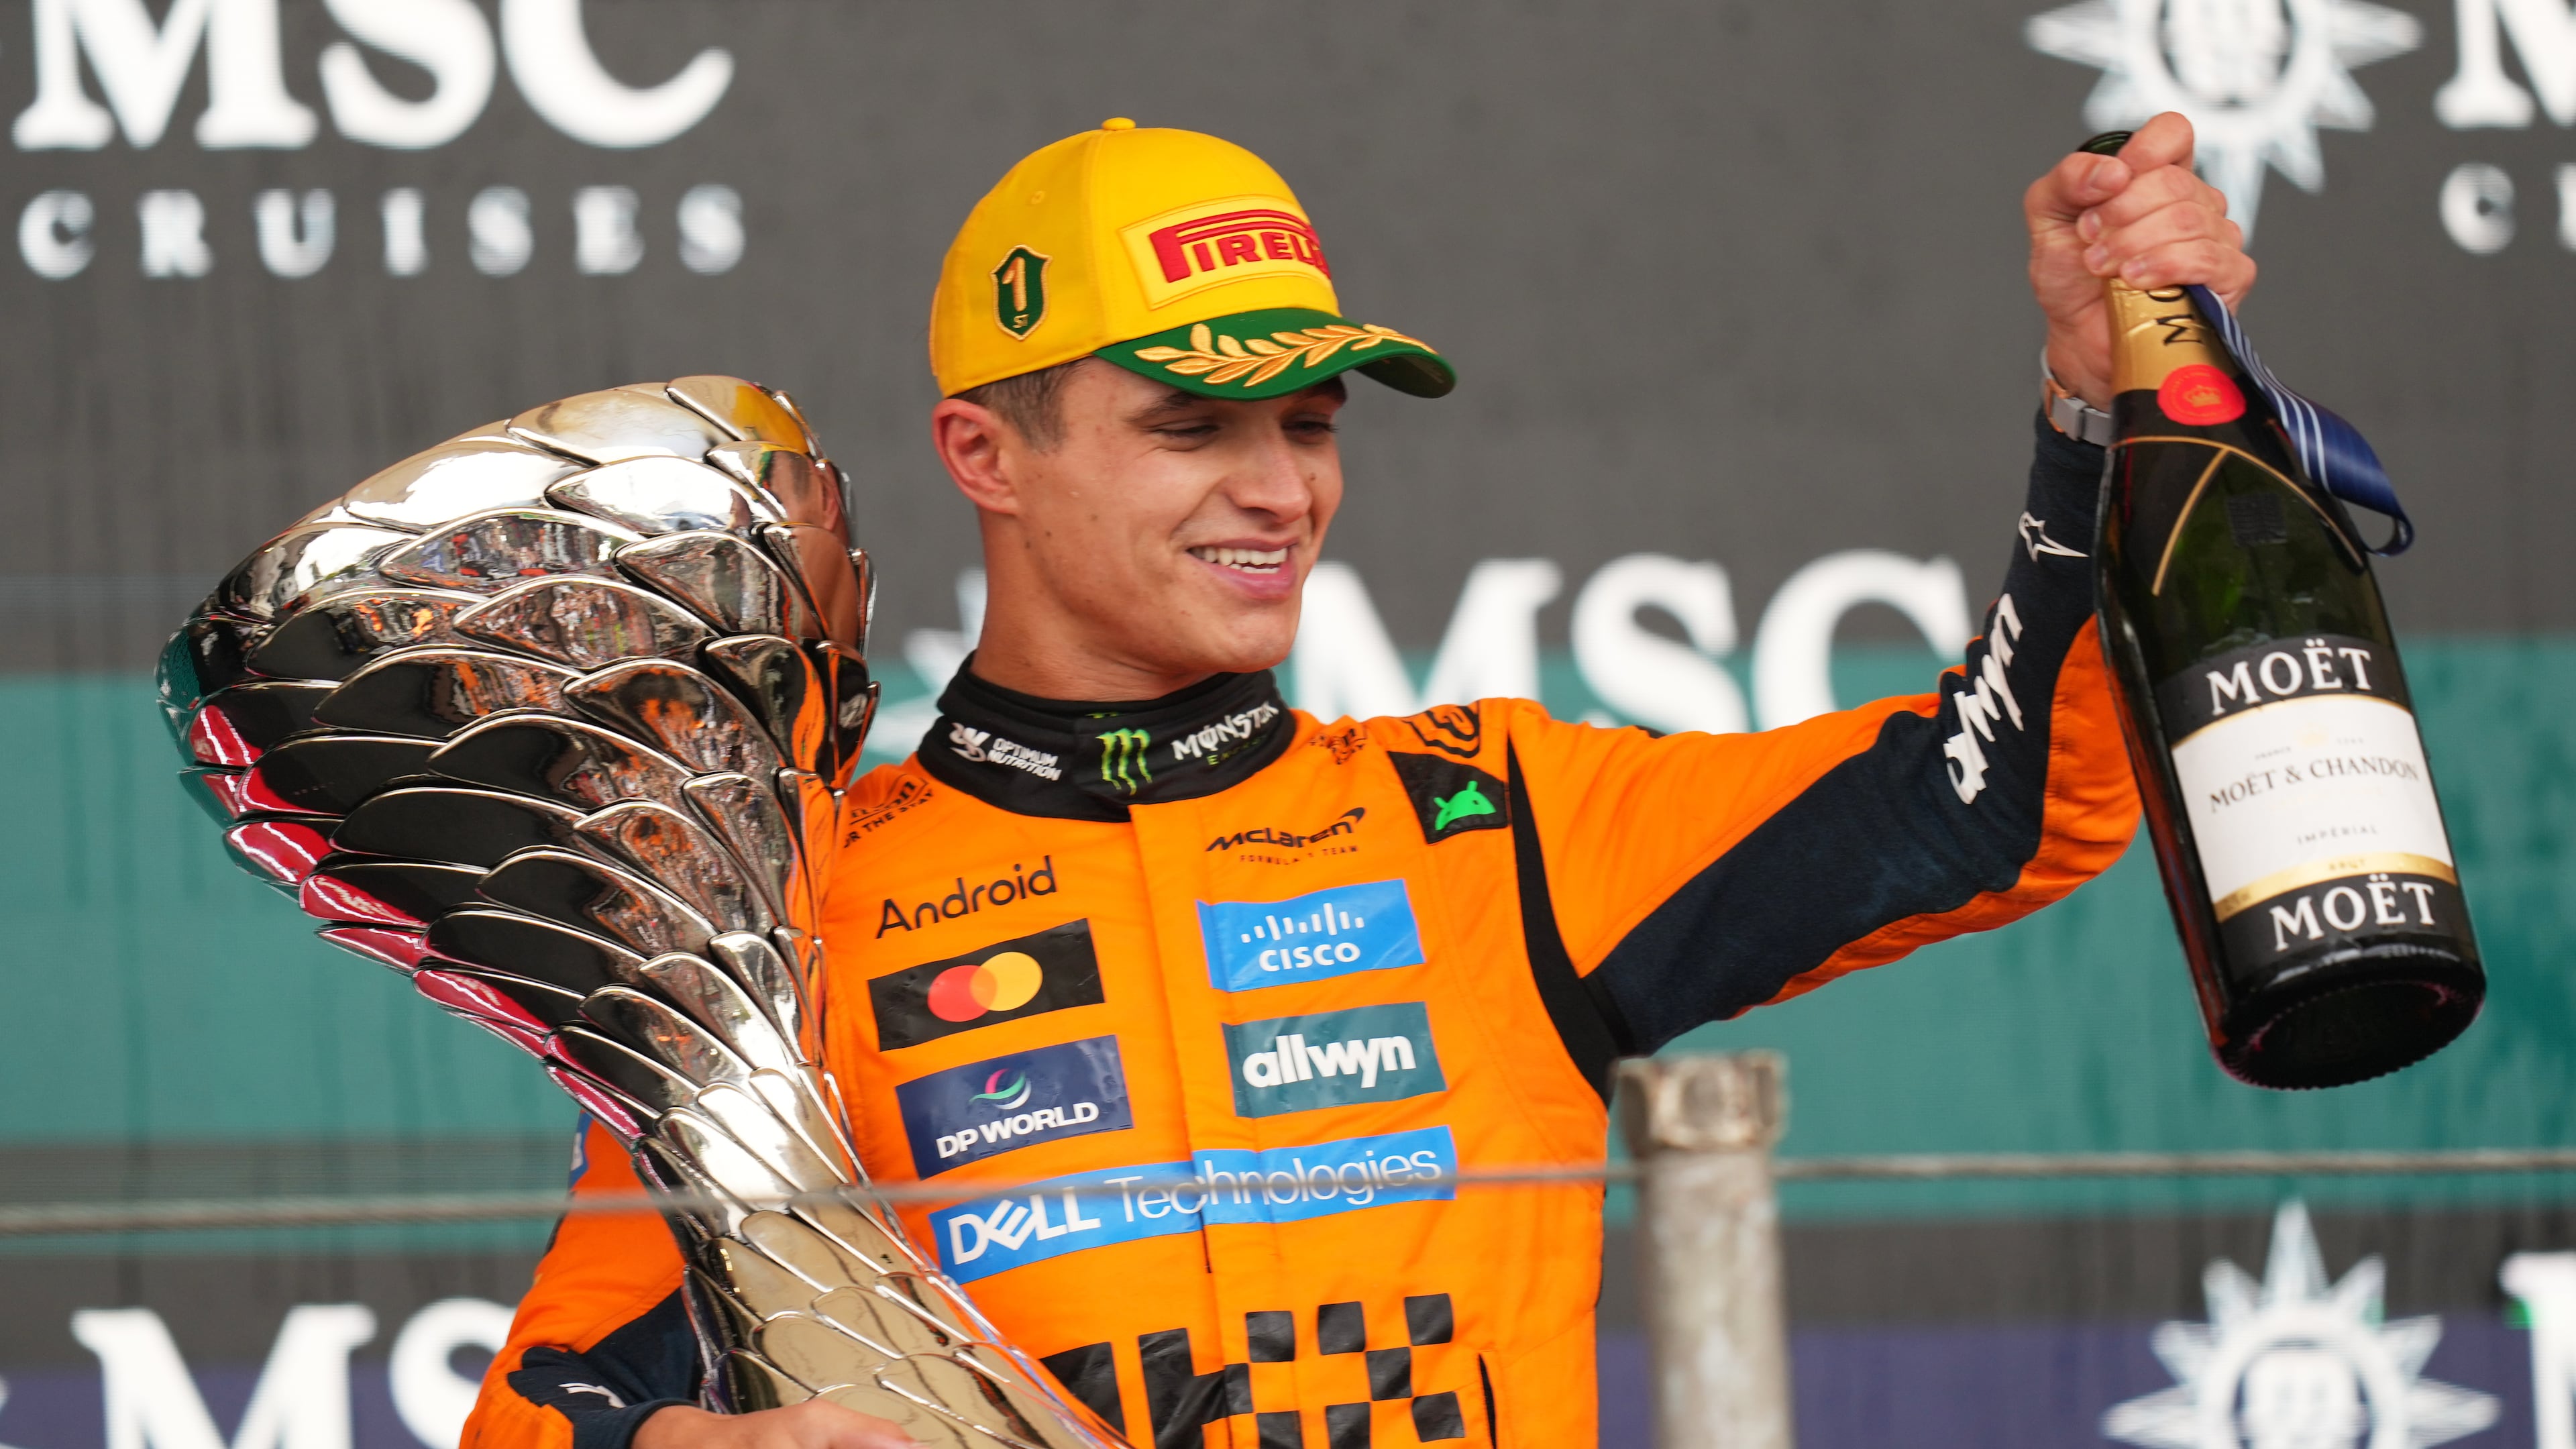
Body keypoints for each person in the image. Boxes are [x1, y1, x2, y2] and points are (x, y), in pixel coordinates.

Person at [465, 112, 2252, 1449]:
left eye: (1312, 424)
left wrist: (2105, 415)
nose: (1279, 490)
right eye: (1194, 424)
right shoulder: (796, 919)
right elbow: (546, 1406)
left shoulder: (1491, 825)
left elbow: (2009, 798)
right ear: (982, 452)